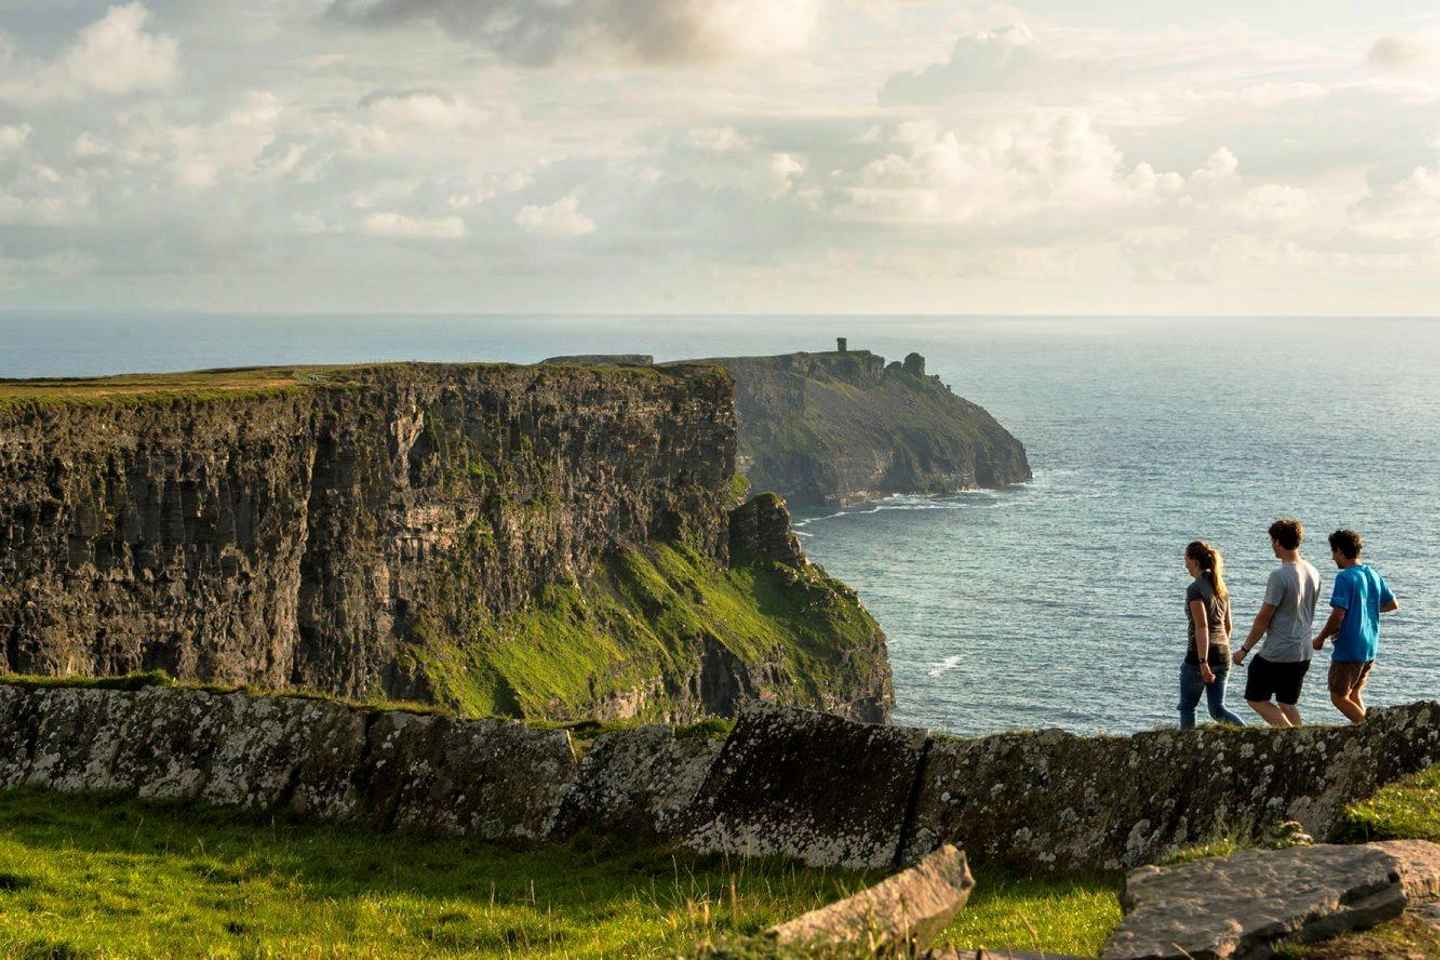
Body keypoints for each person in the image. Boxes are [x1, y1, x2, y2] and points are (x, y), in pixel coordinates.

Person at [1233, 518, 1321, 727]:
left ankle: (1288, 736)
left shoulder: (1279, 575)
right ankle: (1302, 741)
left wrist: (1244, 650)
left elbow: (1264, 618)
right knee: (1287, 702)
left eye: (1272, 541)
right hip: (1303, 649)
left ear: (1278, 542)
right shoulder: (1313, 571)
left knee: (1256, 697)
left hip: (1279, 650)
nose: (1272, 545)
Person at [1313, 529, 1399, 724]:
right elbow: (1392, 604)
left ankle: (1372, 734)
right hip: (1370, 646)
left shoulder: (1345, 577)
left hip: (1349, 647)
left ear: (1341, 552)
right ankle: (1370, 728)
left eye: (1333, 552)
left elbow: (1338, 614)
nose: (1332, 557)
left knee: (1338, 696)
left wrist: (1320, 638)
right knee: (1353, 694)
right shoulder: (1372, 574)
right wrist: (1365, 610)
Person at [1179, 540, 1246, 729]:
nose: (1185, 564)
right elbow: (1228, 626)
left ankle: (1187, 749)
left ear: (1194, 561)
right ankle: (1246, 734)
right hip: (1223, 652)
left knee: (1187, 707)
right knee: (1217, 709)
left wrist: (1203, 662)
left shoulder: (1195, 589)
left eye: (1186, 559)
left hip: (1200, 655)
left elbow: (1202, 626)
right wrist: (1221, 651)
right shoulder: (1221, 588)